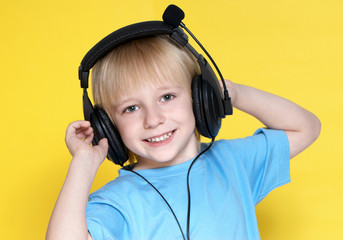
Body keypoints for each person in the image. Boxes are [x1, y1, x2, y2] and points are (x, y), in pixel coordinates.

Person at [46, 23, 320, 240]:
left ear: (199, 99)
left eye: (166, 97)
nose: (153, 119)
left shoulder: (232, 162)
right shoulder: (118, 201)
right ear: (108, 125)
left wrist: (233, 94)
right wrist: (83, 163)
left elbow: (305, 128)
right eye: (131, 108)